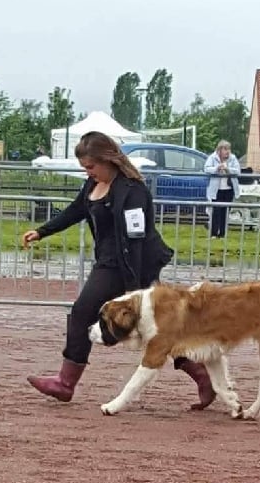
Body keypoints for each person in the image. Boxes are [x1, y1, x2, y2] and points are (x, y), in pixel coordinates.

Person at [22, 131, 216, 410]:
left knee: (83, 312)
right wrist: (42, 231)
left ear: (107, 160)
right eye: (84, 167)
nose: (87, 172)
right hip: (109, 261)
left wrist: (133, 288)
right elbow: (75, 211)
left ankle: (65, 383)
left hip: (129, 263)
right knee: (158, 327)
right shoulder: (93, 184)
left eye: (90, 166)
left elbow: (134, 240)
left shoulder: (132, 191)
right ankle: (202, 376)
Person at [204, 140, 241, 238]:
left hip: (228, 189)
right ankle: (214, 233)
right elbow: (206, 169)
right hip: (216, 190)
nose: (227, 152)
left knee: (225, 212)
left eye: (229, 149)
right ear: (219, 150)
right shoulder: (212, 157)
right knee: (216, 211)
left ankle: (222, 234)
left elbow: (238, 171)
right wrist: (217, 168)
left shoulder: (233, 158)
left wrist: (228, 169)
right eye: (225, 149)